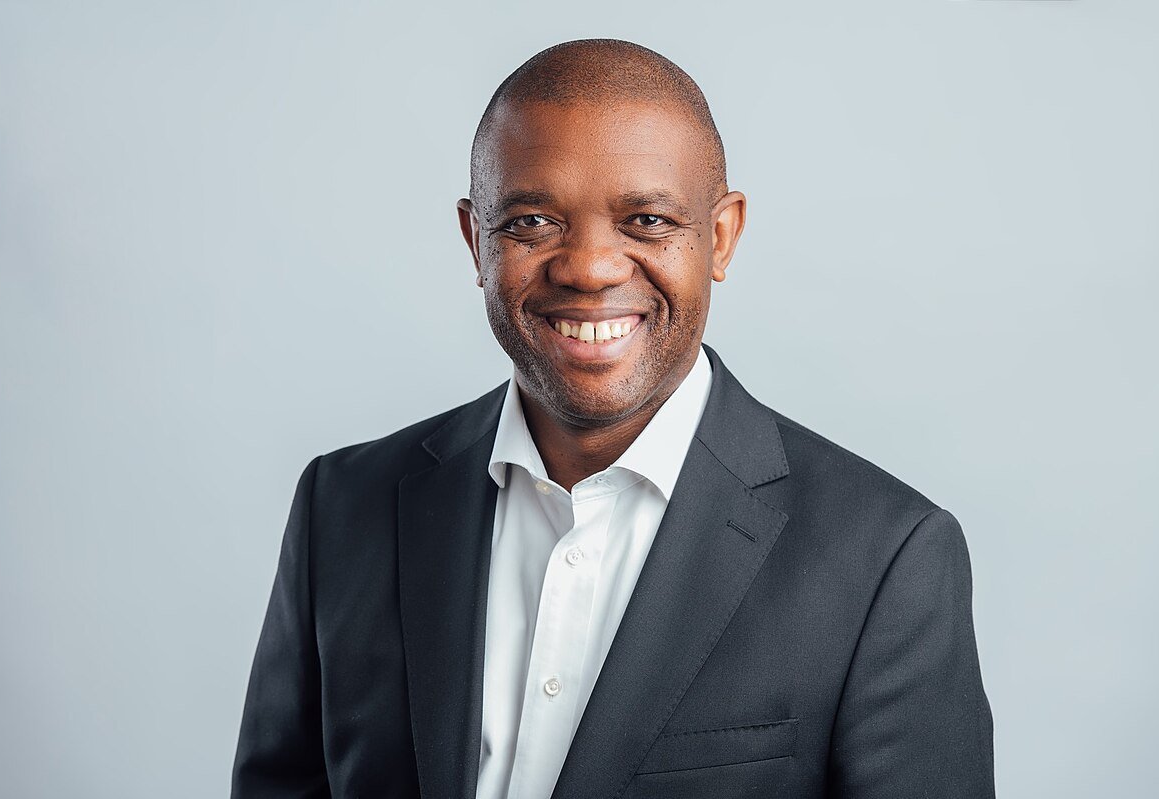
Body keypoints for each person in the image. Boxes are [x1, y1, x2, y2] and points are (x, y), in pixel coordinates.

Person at [232, 38, 994, 799]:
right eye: (532, 221)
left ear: (721, 236)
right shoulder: (343, 507)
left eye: (647, 220)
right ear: (475, 241)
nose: (590, 267)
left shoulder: (885, 559)